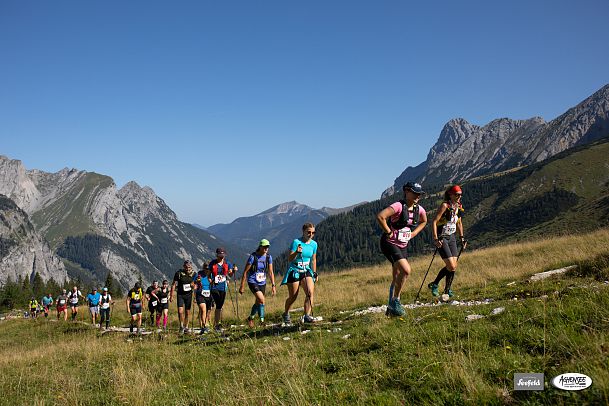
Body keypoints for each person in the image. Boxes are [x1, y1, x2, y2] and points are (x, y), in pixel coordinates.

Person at [376, 182, 428, 316]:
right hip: (389, 243)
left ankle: (390, 310)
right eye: (415, 193)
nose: (417, 196)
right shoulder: (398, 206)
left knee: (396, 276)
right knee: (406, 270)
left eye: (419, 194)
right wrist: (388, 232)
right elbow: (381, 216)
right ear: (406, 192)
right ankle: (396, 301)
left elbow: (424, 221)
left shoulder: (419, 209)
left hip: (403, 245)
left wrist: (414, 234)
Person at [428, 185, 467, 298]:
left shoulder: (459, 206)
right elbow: (434, 222)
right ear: (450, 194)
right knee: (450, 265)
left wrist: (462, 238)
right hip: (442, 237)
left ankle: (447, 290)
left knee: (453, 266)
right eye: (457, 194)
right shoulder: (445, 205)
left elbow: (459, 223)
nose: (459, 196)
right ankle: (435, 284)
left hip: (452, 237)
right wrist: (436, 238)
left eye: (460, 194)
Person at [280, 223, 318, 324]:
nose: (311, 234)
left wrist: (314, 273)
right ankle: (286, 313)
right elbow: (290, 258)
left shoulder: (314, 244)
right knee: (293, 296)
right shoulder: (296, 242)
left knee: (310, 292)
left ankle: (307, 316)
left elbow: (313, 259)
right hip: (295, 271)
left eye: (313, 232)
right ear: (303, 232)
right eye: (308, 232)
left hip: (306, 271)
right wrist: (297, 252)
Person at [239, 239, 276, 328]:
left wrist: (273, 286)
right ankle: (262, 321)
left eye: (268, 247)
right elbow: (245, 272)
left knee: (258, 301)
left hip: (262, 282)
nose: (267, 248)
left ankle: (250, 318)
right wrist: (242, 286)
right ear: (260, 247)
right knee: (262, 300)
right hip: (252, 281)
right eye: (265, 247)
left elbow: (271, 272)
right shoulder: (253, 257)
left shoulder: (268, 257)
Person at [208, 248, 235, 332]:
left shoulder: (227, 263)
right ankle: (217, 324)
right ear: (217, 255)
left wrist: (233, 270)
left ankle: (217, 323)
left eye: (223, 255)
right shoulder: (213, 263)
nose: (221, 257)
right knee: (218, 305)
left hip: (223, 287)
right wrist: (210, 280)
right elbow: (209, 274)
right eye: (220, 255)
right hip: (214, 287)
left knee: (220, 306)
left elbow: (230, 273)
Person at [171, 261, 195, 334]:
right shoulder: (178, 273)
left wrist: (193, 286)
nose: (188, 269)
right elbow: (174, 284)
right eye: (186, 267)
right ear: (184, 266)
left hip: (189, 295)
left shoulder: (194, 274)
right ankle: (181, 326)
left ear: (191, 267)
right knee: (180, 311)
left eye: (189, 267)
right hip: (180, 294)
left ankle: (186, 327)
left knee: (187, 312)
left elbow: (195, 284)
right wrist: (171, 295)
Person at [194, 263, 213, 334]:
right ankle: (205, 326)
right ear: (203, 268)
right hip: (200, 294)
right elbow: (192, 284)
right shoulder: (199, 274)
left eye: (208, 268)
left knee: (208, 311)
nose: (207, 270)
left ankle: (203, 325)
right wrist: (196, 283)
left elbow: (215, 283)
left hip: (209, 295)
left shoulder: (211, 274)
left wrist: (212, 282)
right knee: (203, 309)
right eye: (205, 268)